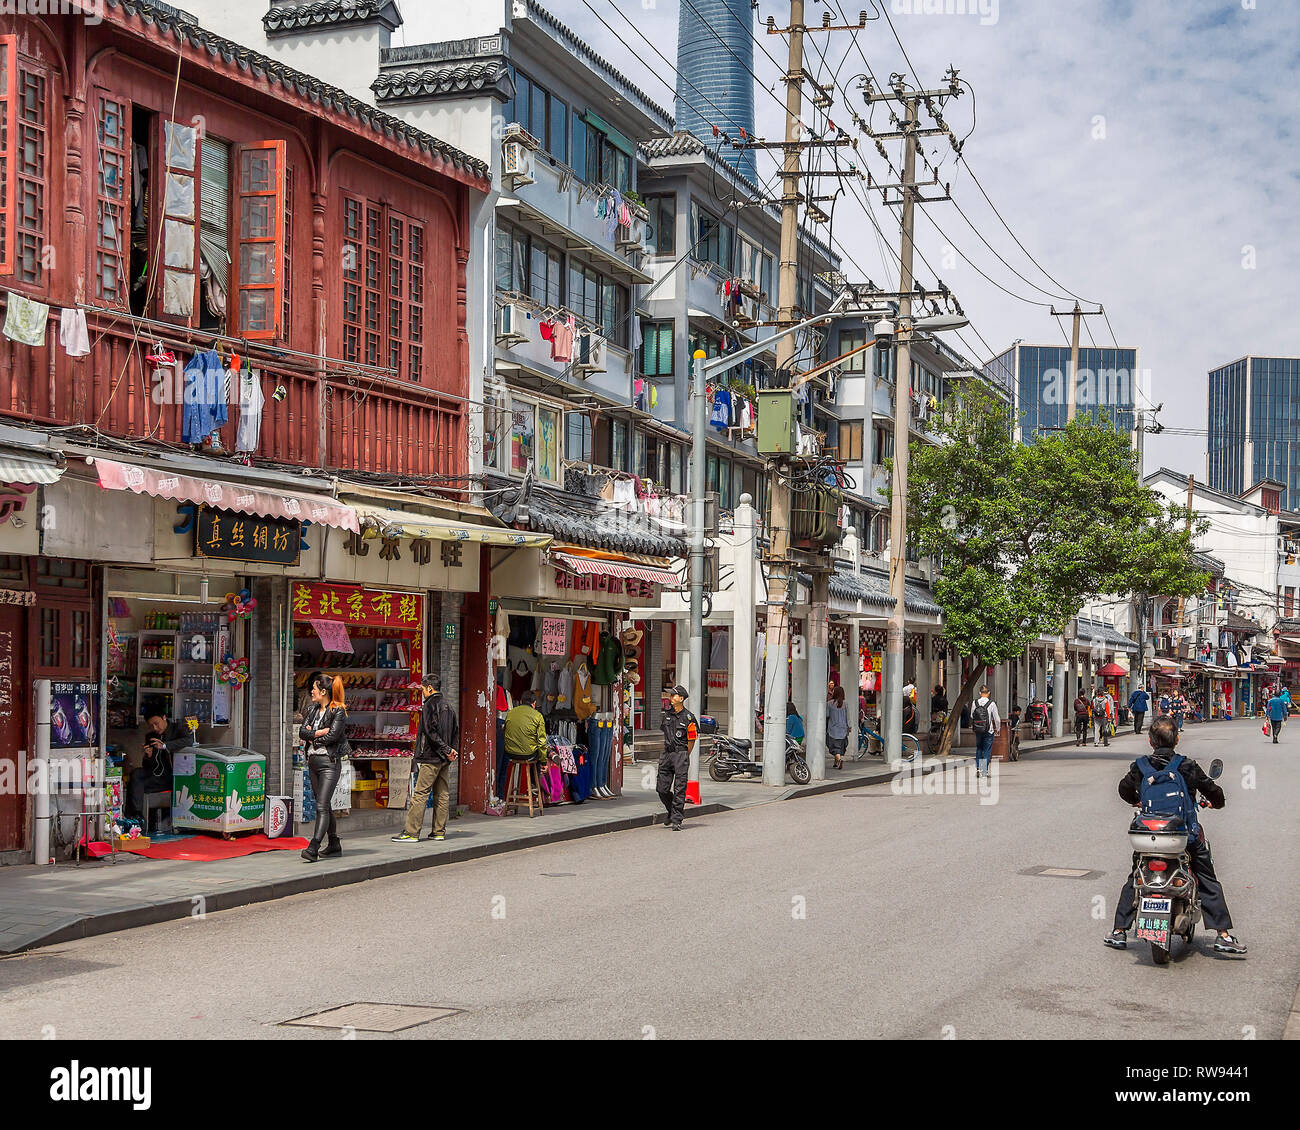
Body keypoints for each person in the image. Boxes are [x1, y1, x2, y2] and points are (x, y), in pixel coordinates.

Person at [1103, 716, 1246, 955]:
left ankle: (1119, 930)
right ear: (1177, 739)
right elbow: (1212, 790)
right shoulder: (1186, 765)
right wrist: (1216, 803)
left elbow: (1123, 789)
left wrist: (1136, 799)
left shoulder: (1140, 766)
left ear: (1150, 741)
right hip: (1184, 838)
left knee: (1136, 875)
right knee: (1207, 877)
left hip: (1149, 838)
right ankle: (1222, 935)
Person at [392, 674, 459, 843]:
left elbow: (430, 733)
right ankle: (438, 831)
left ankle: (411, 832)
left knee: (420, 794)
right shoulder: (448, 706)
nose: (422, 692)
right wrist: (452, 751)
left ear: (429, 687)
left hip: (432, 756)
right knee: (442, 794)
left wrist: (445, 749)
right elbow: (455, 732)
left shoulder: (430, 705)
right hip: (445, 757)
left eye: (422, 688)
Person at [299, 674, 350, 862]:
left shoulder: (338, 711)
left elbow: (334, 736)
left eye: (314, 688)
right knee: (325, 805)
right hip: (313, 762)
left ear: (323, 691)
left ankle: (313, 847)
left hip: (329, 763)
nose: (311, 691)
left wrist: (314, 737)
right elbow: (302, 732)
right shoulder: (312, 709)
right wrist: (318, 733)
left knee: (321, 806)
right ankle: (334, 843)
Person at [128, 713, 190, 822]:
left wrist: (165, 746)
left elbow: (189, 740)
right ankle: (135, 815)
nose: (155, 728)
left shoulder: (177, 729)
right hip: (155, 775)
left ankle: (135, 816)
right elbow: (147, 765)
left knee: (136, 786)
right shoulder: (151, 737)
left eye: (156, 724)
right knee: (136, 775)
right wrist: (149, 756)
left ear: (164, 717)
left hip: (170, 776)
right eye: (151, 726)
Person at [658, 685, 697, 831]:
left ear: (681, 699)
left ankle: (677, 819)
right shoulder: (666, 714)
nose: (670, 697)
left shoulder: (689, 718)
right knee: (661, 789)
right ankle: (671, 810)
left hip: (681, 754)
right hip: (667, 754)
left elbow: (692, 739)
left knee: (680, 788)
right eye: (670, 695)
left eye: (673, 695)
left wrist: (685, 755)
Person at [969, 684, 1000, 778]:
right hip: (988, 730)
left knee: (979, 748)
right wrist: (997, 729)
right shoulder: (992, 703)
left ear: (979, 693)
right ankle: (983, 771)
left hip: (978, 730)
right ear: (989, 693)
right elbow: (997, 719)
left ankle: (978, 768)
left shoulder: (975, 703)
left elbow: (972, 715)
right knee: (986, 750)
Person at [826, 685, 849, 769]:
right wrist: (849, 726)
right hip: (843, 729)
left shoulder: (829, 704)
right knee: (839, 746)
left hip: (833, 729)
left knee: (833, 746)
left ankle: (839, 760)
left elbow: (827, 715)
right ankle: (836, 762)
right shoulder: (845, 703)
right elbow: (848, 716)